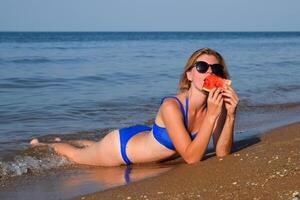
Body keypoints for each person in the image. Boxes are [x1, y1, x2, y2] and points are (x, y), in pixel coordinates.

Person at [30, 47, 239, 167]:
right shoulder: (171, 106)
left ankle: (76, 140)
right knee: (76, 155)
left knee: (90, 145)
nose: (209, 73)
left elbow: (221, 153)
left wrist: (229, 115)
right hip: (119, 149)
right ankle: (44, 145)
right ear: (190, 74)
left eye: (216, 69)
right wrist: (212, 117)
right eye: (202, 67)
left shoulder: (216, 106)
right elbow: (192, 158)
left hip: (144, 136)